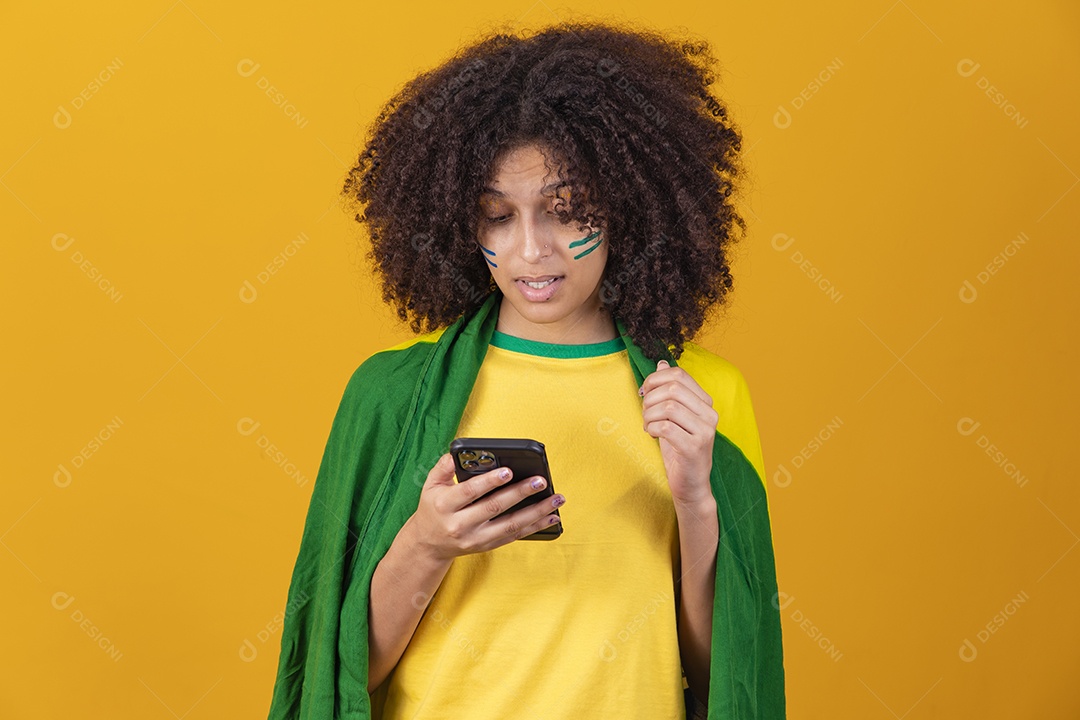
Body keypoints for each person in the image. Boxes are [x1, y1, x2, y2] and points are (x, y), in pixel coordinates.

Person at [267, 19, 785, 720]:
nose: (533, 251)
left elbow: (718, 676)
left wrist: (696, 498)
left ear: (628, 205)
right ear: (462, 221)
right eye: (498, 217)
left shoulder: (701, 398)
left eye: (566, 211)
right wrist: (426, 542)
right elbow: (339, 673)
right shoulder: (391, 397)